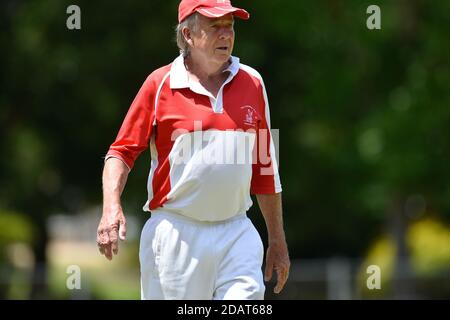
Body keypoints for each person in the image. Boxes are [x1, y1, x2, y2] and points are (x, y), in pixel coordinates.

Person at [96, 0, 290, 300]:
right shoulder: (160, 84)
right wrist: (111, 207)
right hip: (176, 235)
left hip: (237, 231)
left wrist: (277, 238)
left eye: (230, 26)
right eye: (215, 27)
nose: (226, 34)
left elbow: (265, 168)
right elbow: (120, 152)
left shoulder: (253, 82)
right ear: (188, 34)